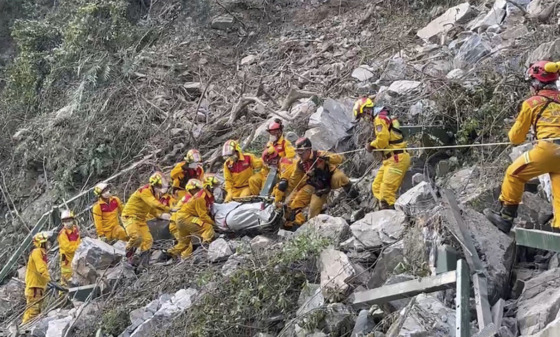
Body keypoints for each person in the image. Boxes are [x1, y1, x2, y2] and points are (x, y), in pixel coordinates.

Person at [485, 60, 560, 233]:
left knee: (514, 174)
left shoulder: (532, 103)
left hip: (547, 150)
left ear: (536, 83)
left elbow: (515, 138)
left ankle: (506, 217)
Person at [286, 137, 358, 230]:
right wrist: (284, 191)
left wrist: (328, 158)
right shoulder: (300, 164)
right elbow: (294, 181)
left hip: (331, 178)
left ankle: (354, 196)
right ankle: (313, 229)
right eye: (298, 152)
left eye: (302, 152)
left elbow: (340, 159)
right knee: (312, 213)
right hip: (319, 187)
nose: (300, 155)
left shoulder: (319, 154)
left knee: (340, 177)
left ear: (308, 150)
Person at [354, 98, 411, 210]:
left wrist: (371, 145)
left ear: (367, 110)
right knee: (377, 186)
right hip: (390, 160)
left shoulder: (379, 119)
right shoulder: (382, 116)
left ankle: (393, 215)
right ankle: (386, 209)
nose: (364, 119)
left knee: (386, 192)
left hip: (396, 159)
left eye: (362, 115)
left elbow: (382, 140)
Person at [121, 172, 171, 264]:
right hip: (130, 217)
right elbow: (153, 203)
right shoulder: (144, 191)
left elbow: (151, 208)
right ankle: (127, 255)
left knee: (148, 241)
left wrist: (160, 215)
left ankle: (144, 264)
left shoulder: (155, 194)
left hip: (141, 219)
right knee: (136, 237)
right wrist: (170, 209)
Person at [165, 179, 215, 259]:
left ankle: (171, 253)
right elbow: (203, 216)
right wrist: (214, 224)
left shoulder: (191, 197)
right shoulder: (199, 197)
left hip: (179, 220)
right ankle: (205, 246)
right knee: (207, 227)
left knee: (185, 242)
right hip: (184, 219)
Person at [249, 119, 296, 196]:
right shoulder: (269, 144)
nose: (272, 134)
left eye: (274, 132)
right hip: (266, 170)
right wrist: (262, 162)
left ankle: (266, 199)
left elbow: (290, 158)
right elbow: (264, 158)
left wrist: (278, 160)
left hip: (277, 172)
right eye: (271, 132)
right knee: (252, 180)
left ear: (279, 132)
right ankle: (255, 198)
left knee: (267, 184)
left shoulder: (285, 143)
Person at [22, 232, 51, 323]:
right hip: (34, 287)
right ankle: (25, 328)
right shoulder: (37, 252)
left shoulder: (42, 253)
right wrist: (49, 279)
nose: (48, 243)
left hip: (38, 286)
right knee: (33, 311)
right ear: (42, 243)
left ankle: (26, 327)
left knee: (34, 310)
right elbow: (41, 268)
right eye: (46, 242)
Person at [57, 210, 81, 288]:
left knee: (75, 274)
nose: (68, 223)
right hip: (67, 258)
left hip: (75, 255)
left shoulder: (75, 230)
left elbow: (78, 240)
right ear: (63, 222)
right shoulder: (63, 234)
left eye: (69, 221)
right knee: (66, 275)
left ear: (73, 220)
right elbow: (68, 248)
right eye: (66, 221)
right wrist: (78, 248)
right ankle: (63, 293)